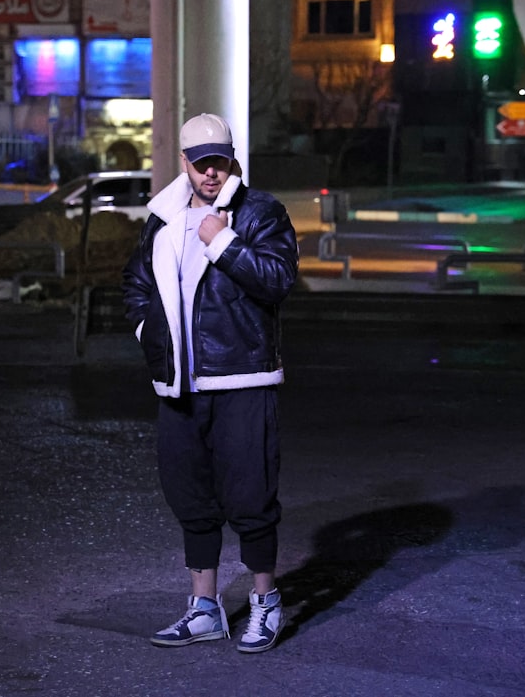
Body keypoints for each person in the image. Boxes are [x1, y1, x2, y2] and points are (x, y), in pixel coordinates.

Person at [121, 113, 299, 653]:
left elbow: (278, 280)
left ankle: (266, 601)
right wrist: (150, 334)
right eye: (200, 164)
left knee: (251, 496)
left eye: (219, 162)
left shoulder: (260, 212)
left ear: (232, 159)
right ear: (184, 163)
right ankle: (204, 609)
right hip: (179, 384)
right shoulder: (164, 216)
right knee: (190, 496)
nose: (210, 173)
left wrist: (224, 242)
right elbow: (136, 283)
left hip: (242, 377)